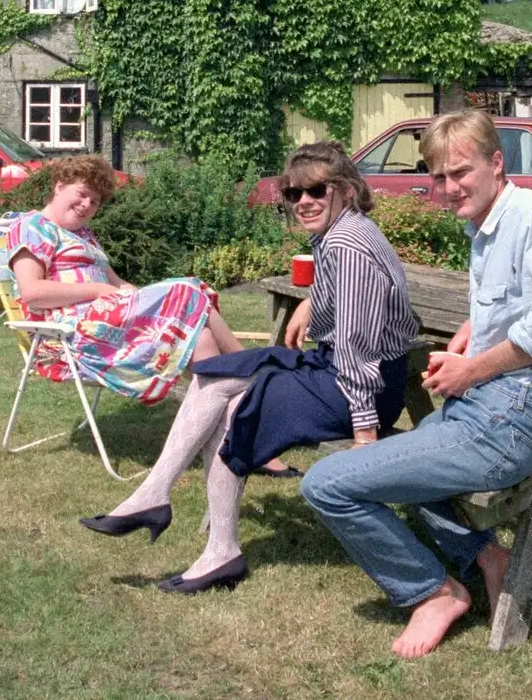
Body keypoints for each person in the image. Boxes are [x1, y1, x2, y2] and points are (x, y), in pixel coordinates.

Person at [299, 109, 532, 659]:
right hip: (489, 406)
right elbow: (519, 303)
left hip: (514, 417)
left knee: (326, 485)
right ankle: (485, 557)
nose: (449, 187)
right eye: (438, 177)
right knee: (401, 471)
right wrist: (474, 329)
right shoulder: (484, 228)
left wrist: (471, 369)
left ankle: (433, 593)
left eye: (461, 171)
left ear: (497, 163)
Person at [78, 142, 420, 594]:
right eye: (292, 193)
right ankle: (159, 500)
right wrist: (311, 301)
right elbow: (356, 305)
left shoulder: (347, 245)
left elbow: (357, 344)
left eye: (316, 189)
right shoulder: (340, 234)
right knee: (213, 376)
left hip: (360, 387)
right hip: (336, 366)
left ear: (347, 190)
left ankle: (209, 542)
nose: (303, 202)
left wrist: (364, 432)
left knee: (235, 407)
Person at [7, 155, 242, 407]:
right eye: (83, 193)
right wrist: (97, 290)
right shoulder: (33, 226)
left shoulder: (84, 235)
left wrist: (150, 300)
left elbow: (118, 285)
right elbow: (31, 291)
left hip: (107, 323)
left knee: (201, 336)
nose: (87, 205)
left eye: (95, 201)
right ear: (59, 186)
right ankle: (251, 368)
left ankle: (226, 418)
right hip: (68, 336)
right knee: (189, 290)